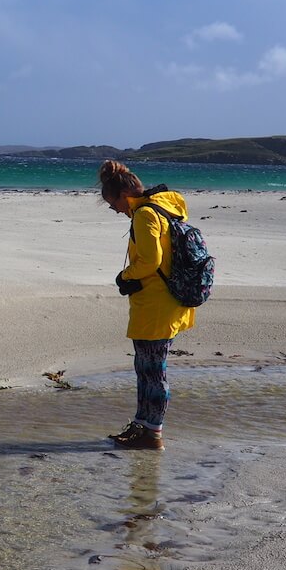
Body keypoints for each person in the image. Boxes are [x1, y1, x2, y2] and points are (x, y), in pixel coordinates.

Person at [98, 159, 196, 451]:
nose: (114, 209)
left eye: (111, 203)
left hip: (156, 304)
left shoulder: (144, 215)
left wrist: (124, 276)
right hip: (162, 302)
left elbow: (151, 260)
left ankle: (153, 435)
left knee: (153, 371)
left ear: (123, 196)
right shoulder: (163, 208)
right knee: (146, 368)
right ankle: (143, 426)